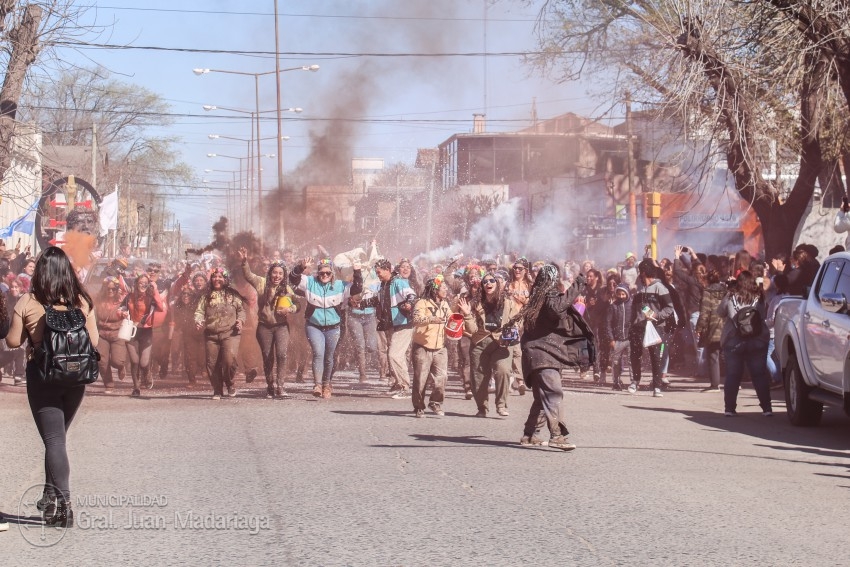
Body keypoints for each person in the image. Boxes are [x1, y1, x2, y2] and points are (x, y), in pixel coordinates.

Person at [6, 246, 98, 528]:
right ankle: (49, 497)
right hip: (76, 379)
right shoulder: (82, 301)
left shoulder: (28, 302)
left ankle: (65, 506)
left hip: (43, 376)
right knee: (56, 440)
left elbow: (12, 342)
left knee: (54, 441)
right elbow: (93, 342)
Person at [515, 264, 587, 451]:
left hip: (536, 353)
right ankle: (557, 435)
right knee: (553, 393)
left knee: (542, 397)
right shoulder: (549, 296)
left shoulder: (537, 297)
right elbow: (557, 309)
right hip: (543, 355)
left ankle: (530, 434)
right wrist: (577, 285)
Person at [290, 257, 363, 399]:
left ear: (332, 274)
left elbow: (357, 288)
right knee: (318, 353)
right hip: (313, 325)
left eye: (327, 273)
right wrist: (301, 266)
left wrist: (357, 270)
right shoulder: (310, 282)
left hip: (333, 327)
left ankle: (326, 384)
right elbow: (292, 279)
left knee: (329, 357)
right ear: (318, 273)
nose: (324, 276)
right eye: (321, 273)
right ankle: (317, 384)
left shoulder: (341, 285)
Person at [456, 270, 520, 417]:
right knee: (478, 376)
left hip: (501, 342)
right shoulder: (475, 304)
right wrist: (466, 314)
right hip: (480, 342)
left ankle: (501, 405)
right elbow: (472, 330)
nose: (488, 283)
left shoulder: (508, 303)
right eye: (485, 282)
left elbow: (517, 320)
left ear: (497, 285)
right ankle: (482, 408)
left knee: (503, 370)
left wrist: (515, 327)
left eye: (491, 281)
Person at [239, 247, 298, 399]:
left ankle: (280, 385)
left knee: (282, 354)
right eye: (274, 272)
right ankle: (270, 385)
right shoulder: (261, 283)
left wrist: (289, 309)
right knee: (267, 356)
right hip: (264, 327)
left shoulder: (287, 288)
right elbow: (248, 275)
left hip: (281, 327)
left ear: (283, 275)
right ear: (270, 273)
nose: (277, 276)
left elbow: (297, 305)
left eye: (280, 273)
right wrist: (244, 261)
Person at [718, 270, 773, 416]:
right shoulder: (759, 296)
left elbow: (720, 312)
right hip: (757, 340)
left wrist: (729, 290)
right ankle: (766, 408)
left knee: (733, 375)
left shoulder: (731, 296)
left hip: (734, 340)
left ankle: (729, 409)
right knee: (759, 374)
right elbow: (762, 315)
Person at [360, 258, 414, 399]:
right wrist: (361, 304)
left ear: (388, 270)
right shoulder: (384, 284)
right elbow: (377, 301)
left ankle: (404, 386)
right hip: (391, 324)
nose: (378, 274)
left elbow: (411, 295)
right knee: (395, 355)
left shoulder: (398, 281)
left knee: (394, 355)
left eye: (379, 272)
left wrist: (409, 303)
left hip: (403, 323)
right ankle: (397, 384)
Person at [195, 267, 246, 400]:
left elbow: (241, 310)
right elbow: (199, 311)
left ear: (225, 279)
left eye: (220, 277)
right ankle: (217, 389)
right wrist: (199, 320)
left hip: (230, 333)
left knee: (229, 361)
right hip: (211, 335)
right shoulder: (206, 296)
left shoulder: (233, 295)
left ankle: (230, 383)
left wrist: (240, 320)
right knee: (211, 364)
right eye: (214, 277)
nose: (217, 279)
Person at [627, 259, 675, 397]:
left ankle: (657, 386)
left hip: (656, 327)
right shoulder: (638, 287)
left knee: (655, 356)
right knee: (635, 354)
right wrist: (631, 324)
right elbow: (634, 308)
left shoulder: (660, 287)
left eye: (640, 272)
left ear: (643, 272)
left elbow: (669, 308)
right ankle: (635, 381)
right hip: (638, 326)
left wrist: (657, 315)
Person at [410, 275, 452, 417]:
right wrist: (432, 319)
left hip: (441, 346)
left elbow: (451, 320)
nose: (446, 290)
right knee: (420, 378)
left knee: (442, 377)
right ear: (435, 290)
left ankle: (435, 402)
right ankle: (418, 406)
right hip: (422, 346)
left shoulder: (446, 304)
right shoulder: (421, 303)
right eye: (443, 287)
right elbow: (416, 319)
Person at [121, 272, 164, 396]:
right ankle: (136, 388)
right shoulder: (129, 296)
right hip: (131, 330)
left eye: (145, 283)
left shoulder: (151, 297)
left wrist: (154, 289)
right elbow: (120, 309)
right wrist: (122, 314)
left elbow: (160, 307)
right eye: (140, 283)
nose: (143, 285)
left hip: (146, 331)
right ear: (136, 283)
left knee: (144, 363)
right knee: (134, 361)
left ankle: (147, 373)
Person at [695, 268, 728, 392]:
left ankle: (715, 384)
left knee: (713, 355)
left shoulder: (707, 292)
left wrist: (699, 328)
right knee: (727, 355)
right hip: (726, 325)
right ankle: (733, 381)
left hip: (713, 326)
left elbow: (705, 312)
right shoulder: (727, 291)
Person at [94, 276, 129, 394]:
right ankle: (109, 384)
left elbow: (130, 310)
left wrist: (125, 314)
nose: (110, 291)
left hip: (117, 333)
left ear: (117, 289)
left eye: (113, 289)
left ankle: (121, 367)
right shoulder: (98, 300)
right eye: (107, 289)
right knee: (102, 361)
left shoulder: (122, 300)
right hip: (102, 334)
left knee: (117, 361)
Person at [605, 284, 632, 390]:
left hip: (630, 338)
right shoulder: (613, 306)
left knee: (632, 361)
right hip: (617, 339)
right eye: (619, 294)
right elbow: (608, 323)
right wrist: (611, 339)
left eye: (623, 294)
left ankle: (634, 381)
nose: (621, 296)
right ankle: (616, 382)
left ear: (627, 294)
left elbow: (642, 313)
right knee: (616, 362)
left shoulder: (633, 304)